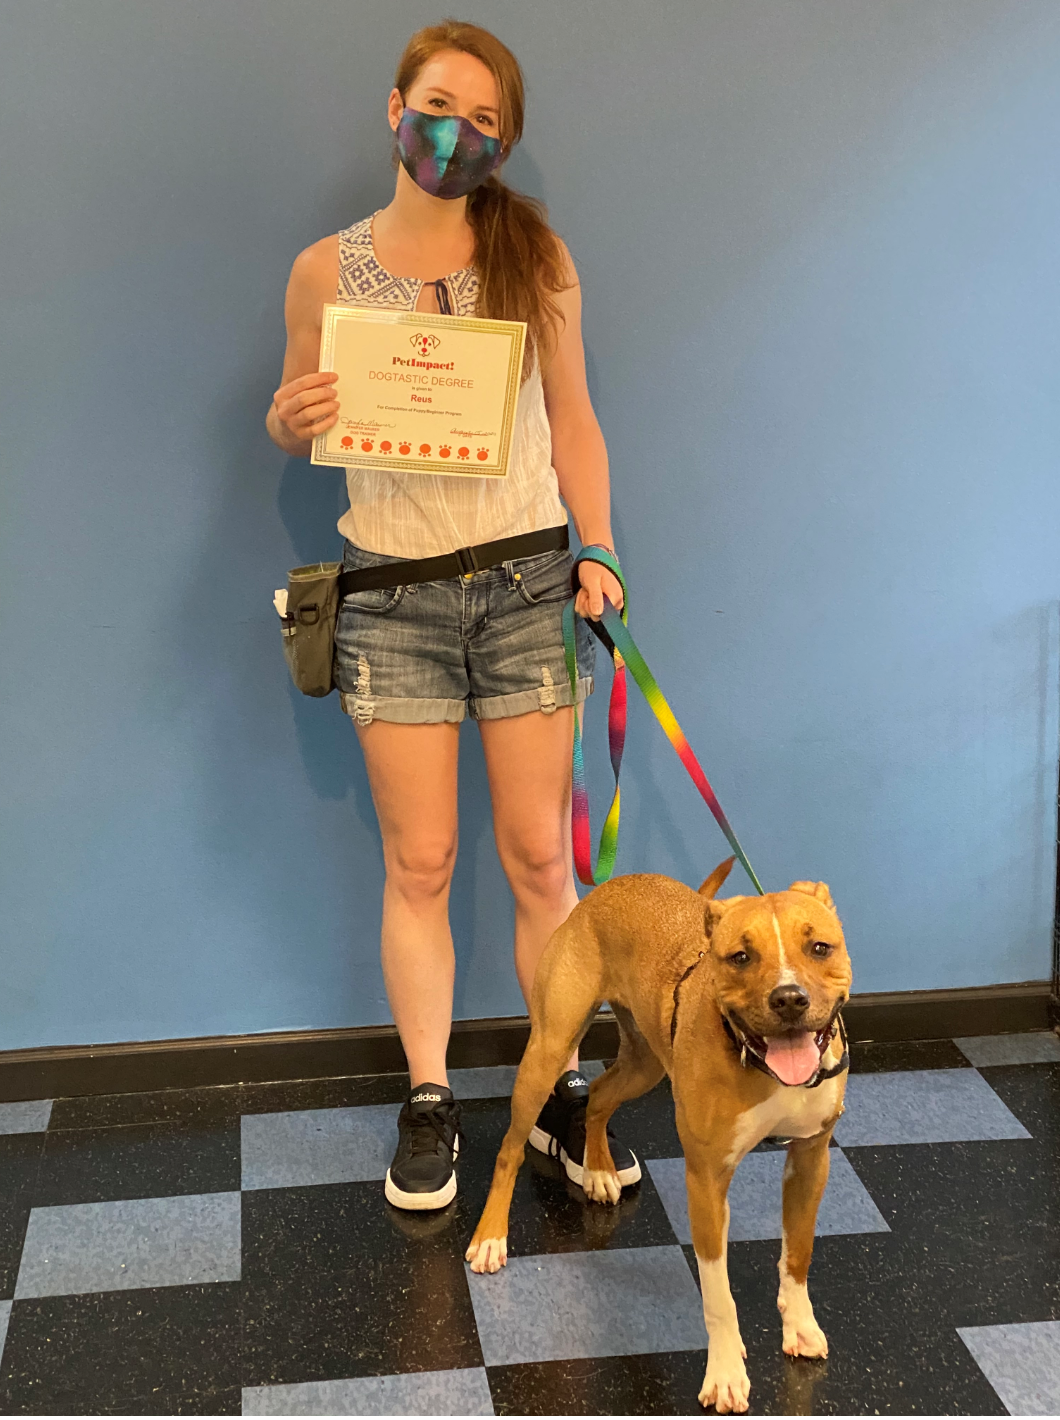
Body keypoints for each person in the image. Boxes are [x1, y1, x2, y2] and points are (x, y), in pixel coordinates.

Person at [266, 20, 639, 1211]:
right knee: (419, 860)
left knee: (539, 858)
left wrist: (599, 546)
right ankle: (429, 1096)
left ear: (505, 142)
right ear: (395, 108)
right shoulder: (324, 271)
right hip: (392, 592)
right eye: (438, 106)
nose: (456, 133)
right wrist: (287, 419)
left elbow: (573, 420)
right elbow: (295, 415)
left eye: (484, 120)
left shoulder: (536, 254)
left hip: (529, 583)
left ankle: (561, 1087)